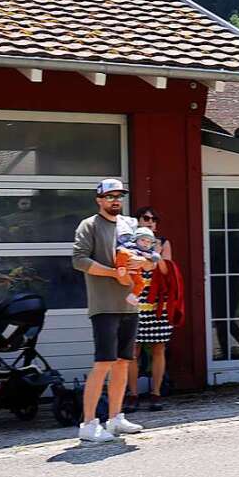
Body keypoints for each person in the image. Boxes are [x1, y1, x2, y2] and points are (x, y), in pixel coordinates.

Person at [71, 179, 150, 442]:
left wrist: (143, 261)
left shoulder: (131, 224)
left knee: (123, 363)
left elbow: (147, 257)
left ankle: (115, 419)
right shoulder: (89, 225)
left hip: (129, 304)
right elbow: (79, 260)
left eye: (119, 196)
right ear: (99, 199)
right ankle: (88, 423)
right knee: (103, 362)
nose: (115, 200)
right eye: (109, 196)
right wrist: (113, 273)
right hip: (104, 305)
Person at [126, 207, 174, 413]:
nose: (151, 222)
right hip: (135, 299)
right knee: (132, 349)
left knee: (158, 347)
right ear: (138, 221)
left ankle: (156, 393)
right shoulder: (128, 243)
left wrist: (153, 258)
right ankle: (133, 394)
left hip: (157, 301)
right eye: (146, 218)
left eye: (154, 219)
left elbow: (167, 270)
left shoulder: (163, 243)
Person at [115, 226, 159, 306]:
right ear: (135, 240)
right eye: (143, 240)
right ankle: (121, 267)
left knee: (141, 283)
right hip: (126, 265)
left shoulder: (148, 252)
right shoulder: (130, 245)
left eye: (149, 242)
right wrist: (128, 252)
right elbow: (119, 249)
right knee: (123, 253)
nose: (146, 243)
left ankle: (133, 296)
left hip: (136, 271)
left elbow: (157, 258)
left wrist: (148, 256)